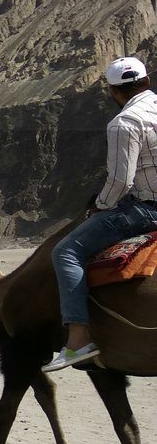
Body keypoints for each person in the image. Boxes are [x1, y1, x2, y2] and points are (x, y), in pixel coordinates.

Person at [45, 56, 157, 370]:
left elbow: (122, 179)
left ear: (113, 91)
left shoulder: (125, 122)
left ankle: (78, 339)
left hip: (148, 209)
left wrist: (102, 205)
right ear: (146, 81)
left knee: (66, 252)